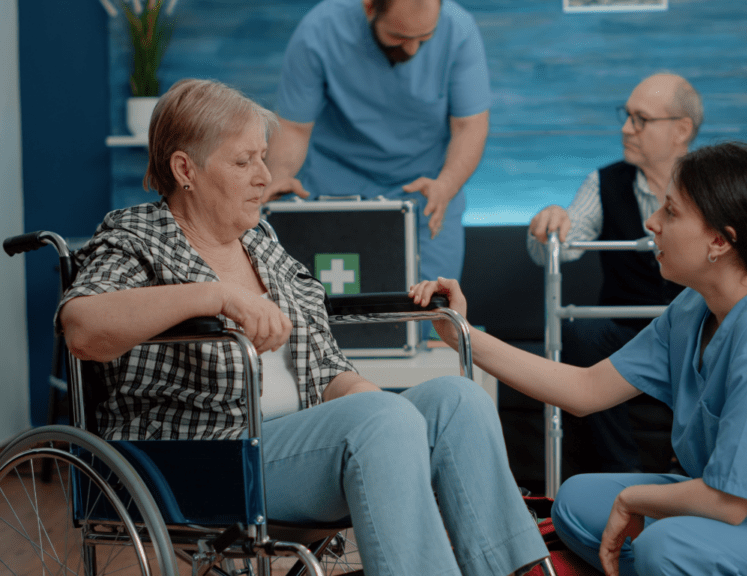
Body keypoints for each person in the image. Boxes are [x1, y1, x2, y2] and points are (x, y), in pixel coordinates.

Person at [57, 79, 547, 576]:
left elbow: (328, 370)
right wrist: (215, 295)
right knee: (383, 419)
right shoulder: (140, 235)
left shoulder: (263, 243)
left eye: (263, 159)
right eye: (244, 162)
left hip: (297, 447)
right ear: (186, 168)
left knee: (458, 402)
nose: (264, 177)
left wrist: (391, 416)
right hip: (206, 460)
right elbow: (81, 326)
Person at [411, 142, 747, 576]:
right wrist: (464, 334)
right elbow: (585, 391)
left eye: (670, 211)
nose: (652, 222)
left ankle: (670, 563)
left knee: (667, 545)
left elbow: (731, 503)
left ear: (719, 241)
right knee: (578, 503)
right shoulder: (693, 307)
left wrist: (635, 499)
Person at [525, 73, 747, 476]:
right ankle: (623, 471)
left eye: (640, 119)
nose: (625, 128)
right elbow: (553, 250)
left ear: (681, 130)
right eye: (626, 116)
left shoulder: (719, 184)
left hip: (702, 327)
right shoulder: (604, 182)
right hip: (630, 331)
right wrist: (550, 225)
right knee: (584, 332)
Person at [264, 0, 491, 285]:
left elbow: (469, 126)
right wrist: (279, 175)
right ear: (369, 7)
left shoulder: (459, 31)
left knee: (431, 312)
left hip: (426, 193)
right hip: (331, 189)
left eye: (424, 39)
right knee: (321, 309)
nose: (411, 50)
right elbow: (294, 126)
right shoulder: (320, 30)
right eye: (399, 37)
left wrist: (447, 184)